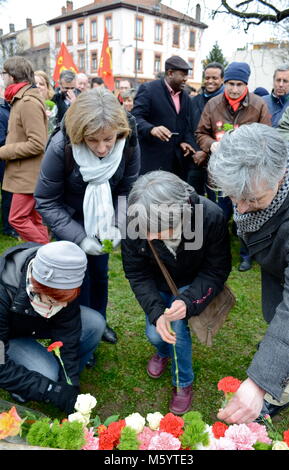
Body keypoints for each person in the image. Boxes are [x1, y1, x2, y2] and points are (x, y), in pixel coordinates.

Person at [35, 88, 140, 346]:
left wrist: (118, 224)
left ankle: (99, 322)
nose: (103, 148)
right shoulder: (62, 145)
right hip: (68, 219)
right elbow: (46, 200)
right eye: (93, 141)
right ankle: (78, 332)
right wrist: (80, 237)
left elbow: (128, 189)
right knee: (74, 278)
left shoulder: (129, 140)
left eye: (108, 139)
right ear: (79, 134)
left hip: (104, 218)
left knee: (99, 273)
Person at [208, 123, 289, 423]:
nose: (242, 209)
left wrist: (260, 382)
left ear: (282, 174)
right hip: (279, 262)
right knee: (277, 317)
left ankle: (276, 394)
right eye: (234, 196)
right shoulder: (257, 179)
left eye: (254, 200)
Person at [121, 171, 231, 414]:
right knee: (156, 333)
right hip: (158, 284)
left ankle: (183, 383)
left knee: (177, 329)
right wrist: (155, 311)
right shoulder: (131, 217)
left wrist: (189, 300)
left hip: (193, 283)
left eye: (155, 230)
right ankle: (162, 351)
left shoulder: (209, 216)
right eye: (144, 229)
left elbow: (217, 269)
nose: (147, 237)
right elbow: (137, 273)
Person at [0, 240, 105, 414]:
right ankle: (24, 385)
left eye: (65, 301)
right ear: (36, 284)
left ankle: (63, 379)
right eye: (52, 300)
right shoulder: (3, 291)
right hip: (8, 337)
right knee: (46, 373)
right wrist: (50, 390)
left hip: (35, 323)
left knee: (95, 323)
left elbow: (68, 334)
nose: (61, 306)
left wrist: (70, 383)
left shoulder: (65, 277)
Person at [196, 61, 271, 272]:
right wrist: (212, 145)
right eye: (230, 83)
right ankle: (216, 254)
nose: (234, 89)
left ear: (246, 84)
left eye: (239, 84)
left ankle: (246, 255)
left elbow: (267, 137)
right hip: (219, 172)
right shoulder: (213, 105)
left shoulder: (258, 105)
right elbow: (200, 133)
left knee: (245, 215)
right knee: (219, 215)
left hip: (248, 172)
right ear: (225, 83)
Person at [0, 56, 49, 244]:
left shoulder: (27, 102)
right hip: (26, 173)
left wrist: (3, 151)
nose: (2, 78)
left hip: (28, 175)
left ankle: (48, 252)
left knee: (17, 218)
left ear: (11, 76)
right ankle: (45, 260)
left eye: (3, 73)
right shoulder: (21, 98)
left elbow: (37, 143)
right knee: (35, 219)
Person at [132, 56, 197, 179]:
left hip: (177, 165)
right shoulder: (149, 89)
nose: (186, 79)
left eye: (187, 75)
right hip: (153, 163)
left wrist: (186, 141)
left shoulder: (186, 97)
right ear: (170, 73)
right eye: (183, 75)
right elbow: (136, 117)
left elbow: (187, 125)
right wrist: (152, 129)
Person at [188, 62, 224, 196]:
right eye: (207, 77)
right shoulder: (194, 101)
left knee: (217, 202)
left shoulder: (226, 103)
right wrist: (196, 151)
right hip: (195, 160)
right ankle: (197, 218)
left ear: (222, 80)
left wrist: (206, 151)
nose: (210, 81)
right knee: (193, 200)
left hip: (217, 162)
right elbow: (189, 128)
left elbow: (225, 131)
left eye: (214, 78)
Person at [0, 76, 17, 238]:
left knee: (9, 194)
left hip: (8, 156)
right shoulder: (1, 110)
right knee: (7, 193)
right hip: (4, 158)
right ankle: (7, 227)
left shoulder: (8, 107)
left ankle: (9, 225)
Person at [34, 69, 57, 134]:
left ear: (47, 87)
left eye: (41, 84)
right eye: (35, 83)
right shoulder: (26, 104)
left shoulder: (53, 106)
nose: (38, 86)